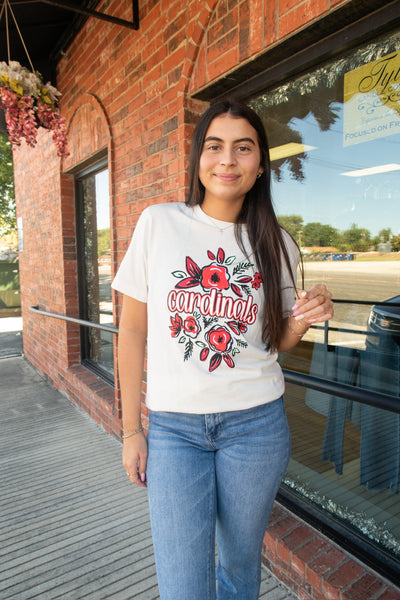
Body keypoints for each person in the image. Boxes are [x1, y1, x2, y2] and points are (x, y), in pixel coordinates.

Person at [112, 99, 333, 600]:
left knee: (238, 569)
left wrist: (305, 316)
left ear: (259, 167)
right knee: (183, 585)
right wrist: (130, 430)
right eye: (215, 146)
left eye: (243, 148)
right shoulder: (158, 223)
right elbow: (131, 331)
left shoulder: (277, 243)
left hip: (256, 426)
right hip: (174, 431)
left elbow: (276, 343)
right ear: (198, 159)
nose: (227, 160)